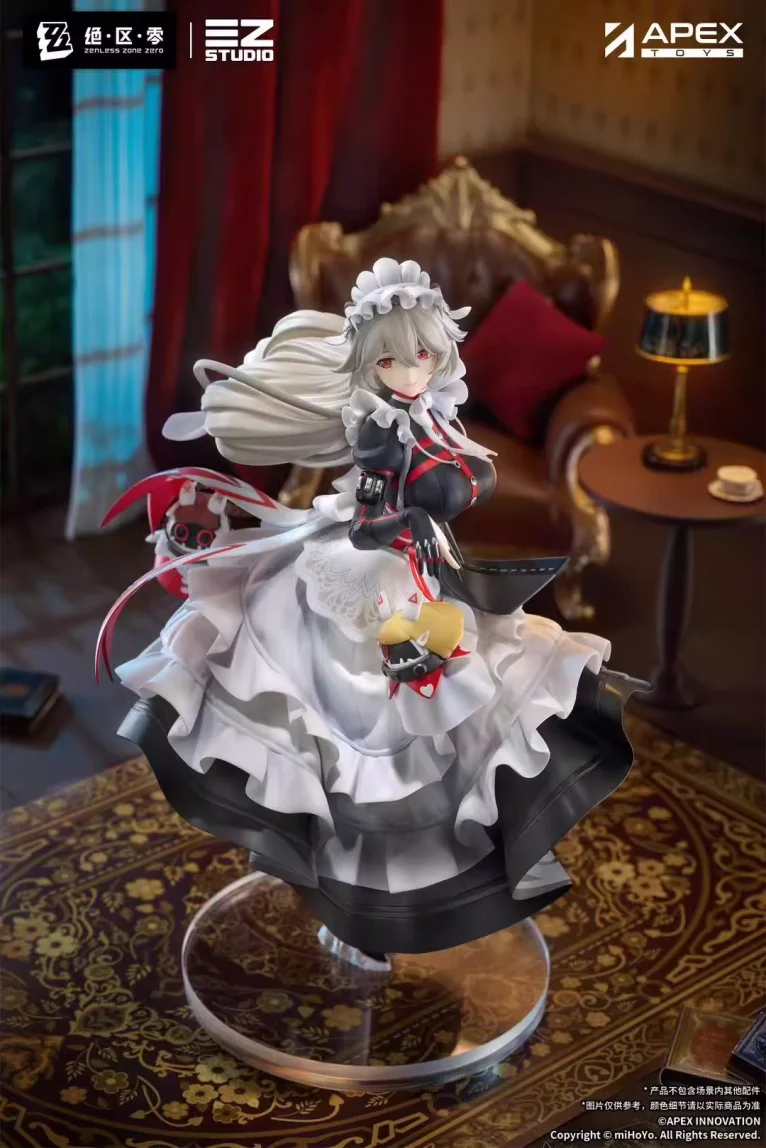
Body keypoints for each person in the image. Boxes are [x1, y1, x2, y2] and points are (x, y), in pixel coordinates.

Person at [98, 258, 642, 955]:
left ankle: (386, 898)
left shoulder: (429, 414)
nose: (409, 372)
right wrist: (413, 517)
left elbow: (464, 482)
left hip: (420, 568)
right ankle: (352, 898)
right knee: (351, 719)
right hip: (369, 566)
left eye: (422, 356)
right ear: (367, 362)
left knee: (466, 695)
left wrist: (443, 500)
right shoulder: (380, 431)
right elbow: (369, 522)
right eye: (390, 360)